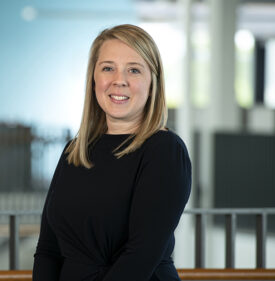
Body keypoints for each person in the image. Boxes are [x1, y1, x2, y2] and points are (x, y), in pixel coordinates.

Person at [32, 24, 191, 281]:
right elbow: (48, 249)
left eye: (134, 70)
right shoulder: (75, 151)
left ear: (152, 84)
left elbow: (141, 254)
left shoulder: (165, 151)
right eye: (108, 68)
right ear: (94, 78)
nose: (120, 80)